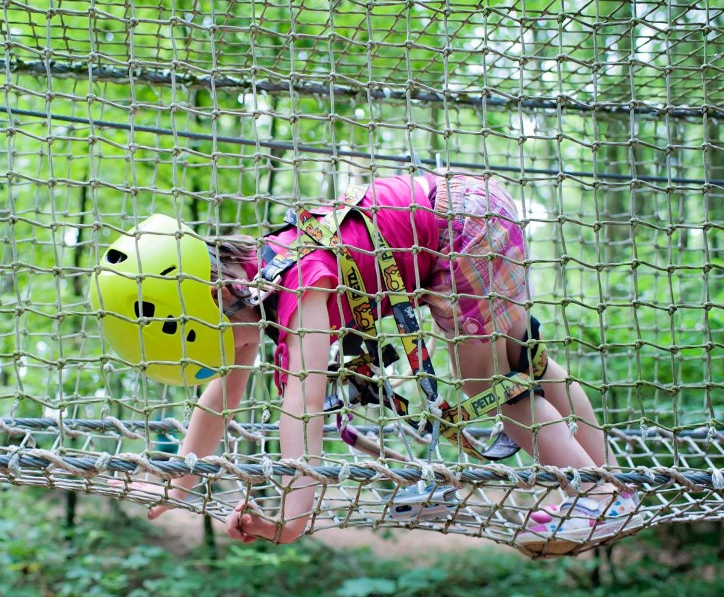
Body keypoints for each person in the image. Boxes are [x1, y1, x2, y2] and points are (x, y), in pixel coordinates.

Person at [90, 172, 640, 551]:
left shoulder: (299, 286)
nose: (235, 356)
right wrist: (179, 482)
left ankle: (595, 496)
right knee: (531, 365)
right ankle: (610, 485)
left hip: (458, 231)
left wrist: (292, 519)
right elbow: (221, 398)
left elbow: (302, 408)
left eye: (217, 341)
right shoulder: (260, 282)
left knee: (490, 388)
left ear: (218, 294)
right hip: (465, 212)